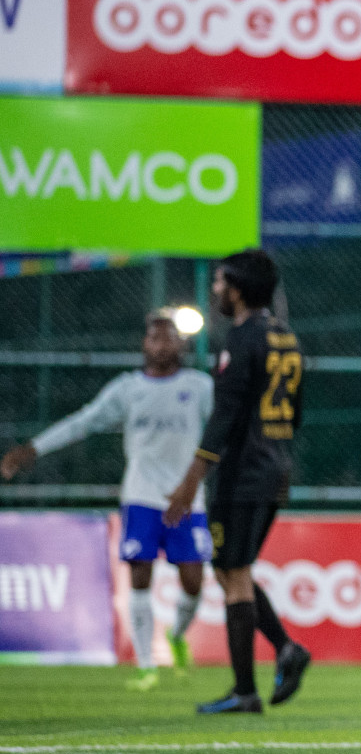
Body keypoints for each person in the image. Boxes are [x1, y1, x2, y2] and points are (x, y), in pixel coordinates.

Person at [1, 310, 213, 690]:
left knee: (194, 582)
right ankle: (147, 665)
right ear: (144, 344)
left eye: (168, 337)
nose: (160, 344)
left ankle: (177, 637)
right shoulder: (128, 389)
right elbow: (84, 421)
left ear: (181, 344)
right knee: (140, 576)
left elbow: (221, 435)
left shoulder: (199, 387)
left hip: (188, 500)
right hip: (142, 497)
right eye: (153, 338)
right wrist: (34, 448)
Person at [163, 249, 310, 715]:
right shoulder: (285, 337)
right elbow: (296, 411)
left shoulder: (243, 338)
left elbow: (224, 417)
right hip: (273, 463)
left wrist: (190, 481)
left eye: (221, 282)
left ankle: (247, 689)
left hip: (242, 471)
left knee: (234, 573)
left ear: (239, 288)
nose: (215, 289)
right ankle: (284, 651)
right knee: (231, 569)